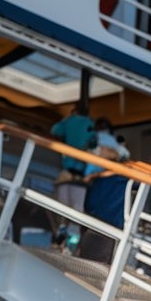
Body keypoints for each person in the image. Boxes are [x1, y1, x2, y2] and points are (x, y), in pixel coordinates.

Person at [50, 103, 97, 250]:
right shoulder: (89, 124)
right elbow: (94, 142)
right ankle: (73, 242)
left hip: (66, 173)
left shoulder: (68, 121)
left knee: (62, 207)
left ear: (73, 111)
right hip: (81, 176)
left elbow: (54, 130)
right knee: (77, 209)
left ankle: (60, 236)